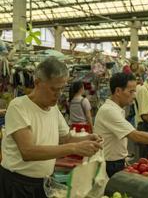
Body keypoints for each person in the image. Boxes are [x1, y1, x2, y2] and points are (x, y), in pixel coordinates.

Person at [0, 56, 103, 198]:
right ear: (37, 83)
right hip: (19, 184)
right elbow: (28, 152)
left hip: (45, 182)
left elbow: (67, 138)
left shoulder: (53, 109)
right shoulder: (19, 107)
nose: (59, 94)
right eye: (55, 89)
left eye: (62, 88)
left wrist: (87, 138)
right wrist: (75, 148)